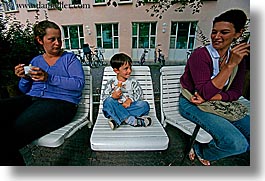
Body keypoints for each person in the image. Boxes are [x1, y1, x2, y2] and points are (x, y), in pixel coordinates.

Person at [0, 20, 85, 165]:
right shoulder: (36, 60)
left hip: (62, 104)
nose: (57, 43)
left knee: (12, 133)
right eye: (52, 39)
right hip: (32, 99)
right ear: (40, 40)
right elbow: (24, 89)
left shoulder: (70, 59)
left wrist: (49, 78)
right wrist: (24, 77)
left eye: (59, 39)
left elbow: (78, 84)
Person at [179, 9, 250, 166]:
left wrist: (216, 97)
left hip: (218, 103)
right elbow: (203, 92)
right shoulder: (200, 55)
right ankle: (201, 150)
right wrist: (230, 65)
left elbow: (236, 92)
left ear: (238, 34)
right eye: (214, 32)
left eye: (224, 32)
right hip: (192, 102)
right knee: (238, 144)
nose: (217, 37)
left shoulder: (238, 57)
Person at [102, 53, 152, 130]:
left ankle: (118, 119)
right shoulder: (111, 82)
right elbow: (104, 98)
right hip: (115, 106)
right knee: (108, 102)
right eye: (126, 68)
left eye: (130, 67)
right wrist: (113, 96)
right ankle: (130, 120)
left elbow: (139, 94)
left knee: (144, 105)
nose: (129, 71)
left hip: (129, 107)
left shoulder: (133, 82)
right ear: (116, 70)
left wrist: (130, 100)